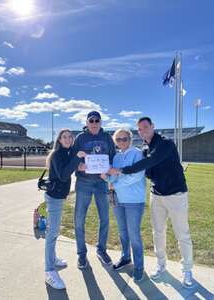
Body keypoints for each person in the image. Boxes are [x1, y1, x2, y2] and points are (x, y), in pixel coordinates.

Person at [109, 117, 194, 288]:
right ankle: (161, 265)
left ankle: (187, 270)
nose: (143, 131)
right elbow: (148, 172)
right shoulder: (145, 149)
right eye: (140, 129)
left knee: (182, 234)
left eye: (145, 127)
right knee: (158, 232)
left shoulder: (165, 143)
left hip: (176, 194)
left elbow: (149, 162)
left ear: (153, 127)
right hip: (157, 195)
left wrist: (121, 170)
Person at [101, 129, 146, 282]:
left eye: (124, 139)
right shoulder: (117, 157)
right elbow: (113, 179)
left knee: (134, 234)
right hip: (118, 200)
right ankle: (125, 257)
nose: (121, 142)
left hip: (134, 201)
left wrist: (116, 182)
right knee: (122, 231)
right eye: (118, 140)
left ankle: (139, 267)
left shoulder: (137, 153)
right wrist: (106, 177)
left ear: (130, 139)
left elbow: (136, 176)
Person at [73, 111, 116, 269]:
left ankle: (101, 249)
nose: (94, 123)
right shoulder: (80, 138)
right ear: (87, 122)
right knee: (79, 220)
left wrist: (109, 168)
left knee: (104, 218)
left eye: (97, 120)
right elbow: (73, 157)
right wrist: (79, 165)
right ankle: (81, 253)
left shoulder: (107, 138)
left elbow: (112, 157)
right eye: (91, 120)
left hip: (101, 183)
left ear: (100, 122)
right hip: (83, 182)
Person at [44, 129, 86, 289]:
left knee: (54, 232)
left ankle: (53, 259)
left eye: (70, 137)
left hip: (58, 197)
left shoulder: (68, 153)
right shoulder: (57, 154)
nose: (68, 139)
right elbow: (62, 175)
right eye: (64, 137)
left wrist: (78, 164)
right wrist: (76, 159)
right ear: (59, 140)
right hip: (54, 197)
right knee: (52, 233)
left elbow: (70, 168)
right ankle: (49, 271)